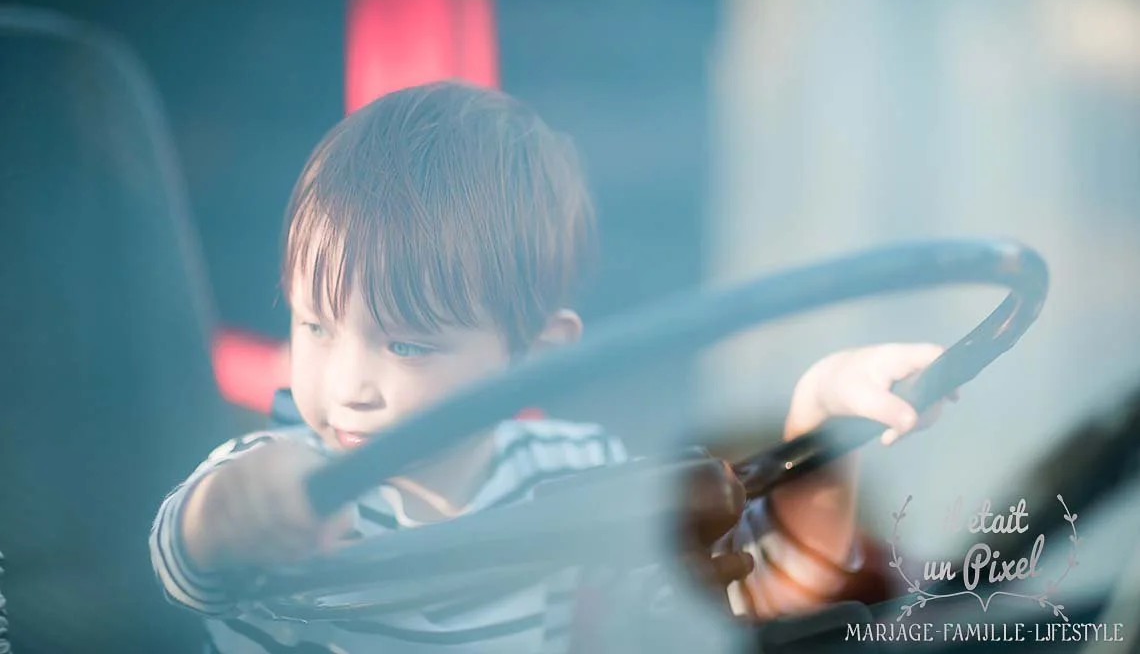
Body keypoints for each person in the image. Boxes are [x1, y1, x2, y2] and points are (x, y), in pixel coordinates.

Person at [150, 81, 953, 653]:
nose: (348, 385)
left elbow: (753, 591)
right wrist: (240, 506)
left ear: (534, 359)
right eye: (316, 326)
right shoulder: (291, 487)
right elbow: (189, 553)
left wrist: (821, 423)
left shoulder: (574, 474)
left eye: (406, 344)